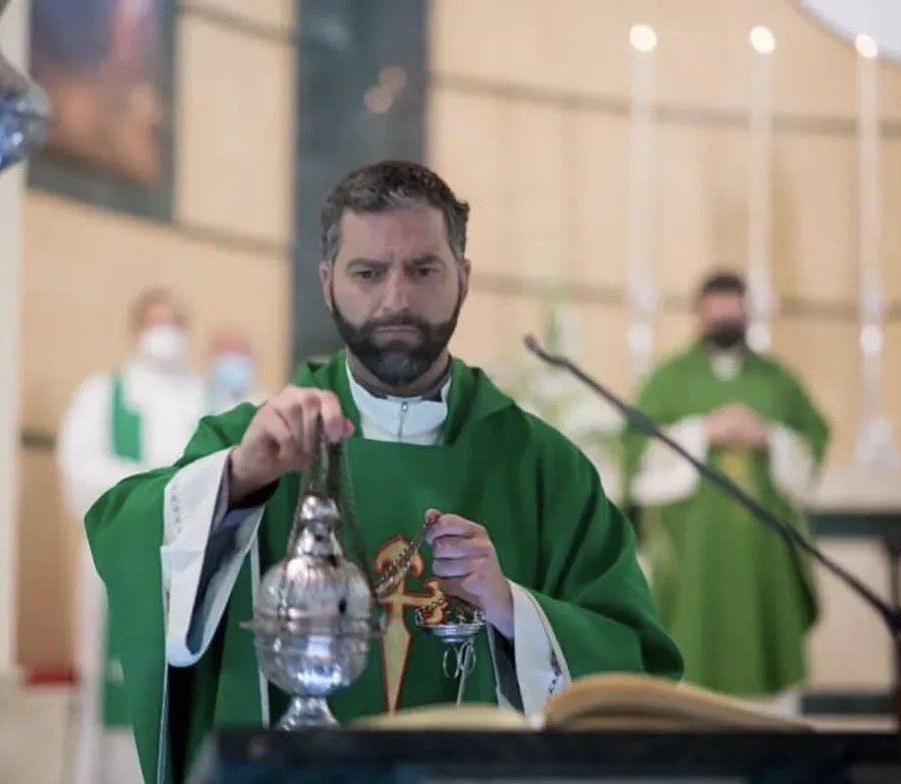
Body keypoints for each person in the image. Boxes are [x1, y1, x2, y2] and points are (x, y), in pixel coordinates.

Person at [86, 161, 683, 783]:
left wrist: (512, 609)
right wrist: (235, 482)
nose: (396, 298)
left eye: (423, 270)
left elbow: (633, 668)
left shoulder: (543, 469)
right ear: (327, 283)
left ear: (464, 280)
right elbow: (125, 535)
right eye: (368, 273)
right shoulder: (260, 441)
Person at [623, 271, 830, 715]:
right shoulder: (670, 380)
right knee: (693, 655)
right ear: (699, 315)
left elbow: (813, 439)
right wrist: (703, 431)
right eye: (715, 310)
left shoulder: (777, 380)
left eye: (733, 308)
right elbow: (636, 450)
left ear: (747, 312)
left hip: (764, 555)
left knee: (767, 657)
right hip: (695, 552)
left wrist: (770, 437)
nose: (724, 318)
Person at [57, 288, 208, 784]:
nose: (166, 336)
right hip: (119, 561)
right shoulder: (103, 395)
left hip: (192, 565)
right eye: (156, 323)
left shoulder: (209, 399)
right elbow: (80, 472)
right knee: (116, 697)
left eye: (175, 324)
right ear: (138, 328)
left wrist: (180, 496)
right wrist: (163, 491)